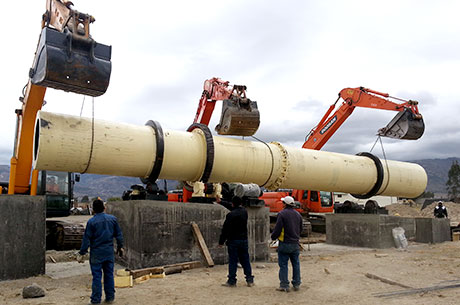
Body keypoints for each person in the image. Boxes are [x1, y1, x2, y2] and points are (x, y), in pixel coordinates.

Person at [78, 199, 124, 304]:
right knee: (109, 275)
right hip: (109, 252)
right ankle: (110, 297)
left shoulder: (91, 222)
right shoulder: (113, 219)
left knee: (97, 277)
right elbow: (119, 235)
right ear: (104, 208)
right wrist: (120, 247)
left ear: (93, 210)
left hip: (96, 254)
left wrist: (82, 252)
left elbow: (86, 239)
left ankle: (95, 300)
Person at [218, 196, 254, 287]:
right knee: (245, 260)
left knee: (233, 261)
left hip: (233, 240)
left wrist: (221, 241)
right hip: (243, 240)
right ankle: (250, 280)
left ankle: (232, 281)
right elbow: (234, 207)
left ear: (233, 203)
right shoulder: (244, 212)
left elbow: (225, 229)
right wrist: (221, 202)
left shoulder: (230, 215)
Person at [271, 196, 303, 292]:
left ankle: (284, 285)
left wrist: (273, 237)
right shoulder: (298, 215)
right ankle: (296, 284)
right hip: (295, 243)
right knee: (296, 264)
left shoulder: (282, 214)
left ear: (285, 204)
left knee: (283, 265)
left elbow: (278, 228)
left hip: (285, 243)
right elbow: (300, 229)